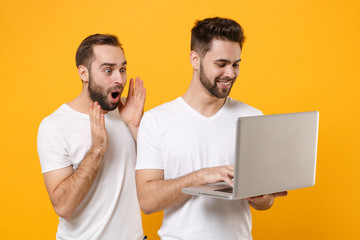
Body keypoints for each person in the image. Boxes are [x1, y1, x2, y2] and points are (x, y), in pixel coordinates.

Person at [135, 17, 287, 239]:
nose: (231, 74)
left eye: (236, 65)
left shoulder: (252, 117)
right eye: (221, 64)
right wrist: (201, 176)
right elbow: (147, 202)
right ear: (195, 59)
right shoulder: (156, 120)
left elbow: (265, 204)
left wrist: (260, 196)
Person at [37, 34, 145, 239]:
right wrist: (97, 149)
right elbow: (64, 206)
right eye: (108, 70)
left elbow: (160, 177)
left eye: (122, 69)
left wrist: (134, 126)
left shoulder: (127, 112)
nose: (119, 79)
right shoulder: (54, 126)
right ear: (84, 73)